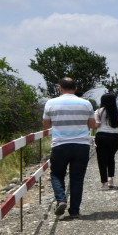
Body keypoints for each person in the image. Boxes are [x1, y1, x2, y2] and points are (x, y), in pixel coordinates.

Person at [42, 77, 96, 218]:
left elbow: (46, 125)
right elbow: (91, 124)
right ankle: (75, 210)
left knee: (56, 174)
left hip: (60, 144)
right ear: (75, 88)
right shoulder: (86, 103)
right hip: (81, 144)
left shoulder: (51, 103)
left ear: (60, 88)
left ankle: (61, 199)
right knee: (77, 178)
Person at [94, 93, 118, 191]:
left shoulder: (99, 111)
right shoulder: (117, 112)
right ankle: (110, 179)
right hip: (114, 136)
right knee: (111, 157)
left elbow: (97, 124)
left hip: (101, 135)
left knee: (101, 160)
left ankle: (104, 183)